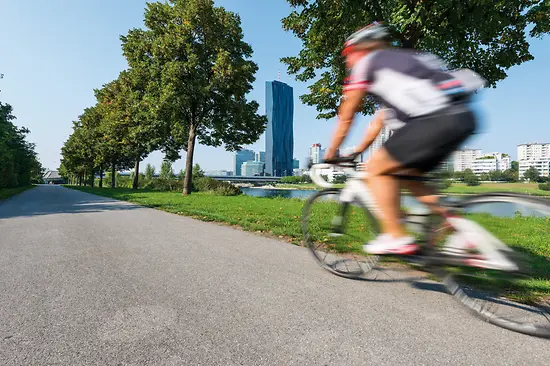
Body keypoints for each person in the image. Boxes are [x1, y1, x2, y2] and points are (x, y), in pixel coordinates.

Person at [324, 22, 482, 255]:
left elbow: (347, 116)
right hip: (463, 117)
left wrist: (331, 153)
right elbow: (378, 123)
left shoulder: (367, 64)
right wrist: (357, 151)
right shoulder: (406, 61)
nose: (347, 61)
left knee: (375, 169)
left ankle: (395, 236)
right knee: (409, 176)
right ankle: (460, 228)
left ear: (361, 49)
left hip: (433, 120)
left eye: (347, 54)